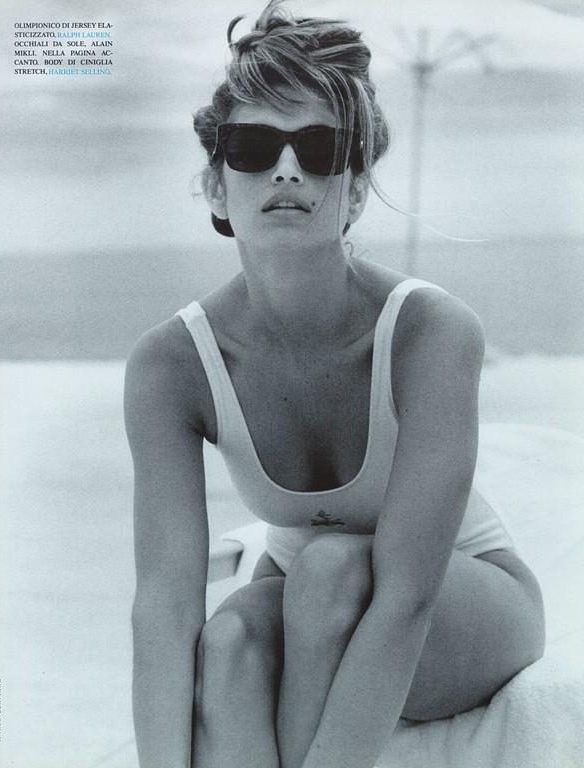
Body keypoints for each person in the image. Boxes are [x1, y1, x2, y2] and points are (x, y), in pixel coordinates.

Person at [124, 3, 545, 767]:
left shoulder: (430, 331)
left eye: (319, 150)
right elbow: (163, 606)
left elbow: (406, 598)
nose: (286, 169)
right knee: (226, 642)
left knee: (325, 569)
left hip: (465, 602)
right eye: (254, 147)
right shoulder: (169, 365)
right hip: (305, 593)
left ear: (353, 193)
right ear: (215, 188)